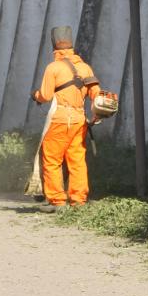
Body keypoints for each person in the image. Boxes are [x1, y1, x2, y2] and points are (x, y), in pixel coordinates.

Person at [32, 26, 100, 212]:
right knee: (77, 159)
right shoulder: (85, 67)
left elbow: (45, 96)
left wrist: (35, 95)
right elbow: (96, 93)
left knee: (52, 159)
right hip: (79, 119)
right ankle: (78, 200)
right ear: (71, 45)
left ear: (54, 45)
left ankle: (57, 201)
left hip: (60, 119)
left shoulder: (53, 67)